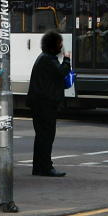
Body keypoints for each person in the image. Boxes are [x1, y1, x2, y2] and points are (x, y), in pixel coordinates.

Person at [26, 29, 71, 177]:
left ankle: (39, 167)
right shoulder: (47, 60)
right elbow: (61, 72)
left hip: (40, 103)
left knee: (41, 136)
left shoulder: (44, 58)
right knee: (46, 136)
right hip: (45, 105)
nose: (61, 47)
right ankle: (45, 167)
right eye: (60, 44)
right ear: (54, 45)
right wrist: (67, 59)